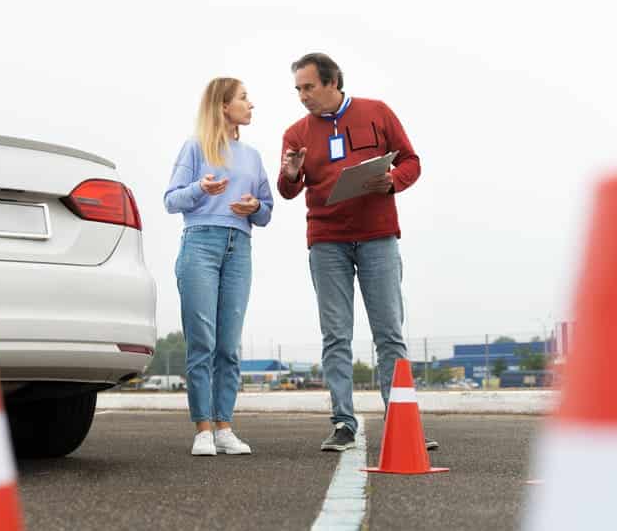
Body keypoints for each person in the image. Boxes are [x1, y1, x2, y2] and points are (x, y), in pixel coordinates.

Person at [276, 53, 438, 452]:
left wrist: (392, 181)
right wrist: (292, 173)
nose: (302, 96)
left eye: (308, 87)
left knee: (389, 334)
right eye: (297, 89)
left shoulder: (377, 112)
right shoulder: (295, 133)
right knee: (336, 336)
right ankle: (343, 423)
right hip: (326, 241)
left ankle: (403, 421)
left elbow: (412, 161)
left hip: (378, 238)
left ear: (333, 82)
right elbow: (286, 189)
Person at [164, 77, 274, 456]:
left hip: (239, 246)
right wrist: (200, 189)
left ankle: (225, 426)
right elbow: (171, 200)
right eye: (244, 97)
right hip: (200, 244)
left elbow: (266, 211)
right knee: (203, 343)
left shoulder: (254, 157)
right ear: (224, 106)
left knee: (228, 346)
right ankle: (203, 430)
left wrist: (254, 208)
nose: (251, 104)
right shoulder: (195, 147)